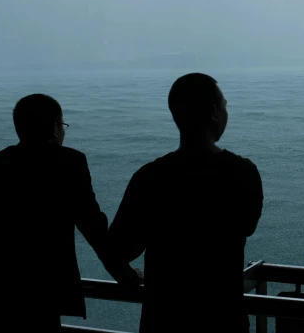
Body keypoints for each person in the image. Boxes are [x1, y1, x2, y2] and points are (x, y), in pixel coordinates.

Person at [0, 94, 139, 333]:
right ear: (55, 129)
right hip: (40, 295)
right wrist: (125, 275)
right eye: (63, 125)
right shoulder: (69, 163)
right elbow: (93, 227)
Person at [109, 73, 263, 333]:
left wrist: (127, 275)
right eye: (225, 106)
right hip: (222, 317)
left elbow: (118, 248)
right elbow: (248, 226)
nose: (227, 113)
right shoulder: (242, 172)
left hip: (164, 318)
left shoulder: (149, 176)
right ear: (214, 112)